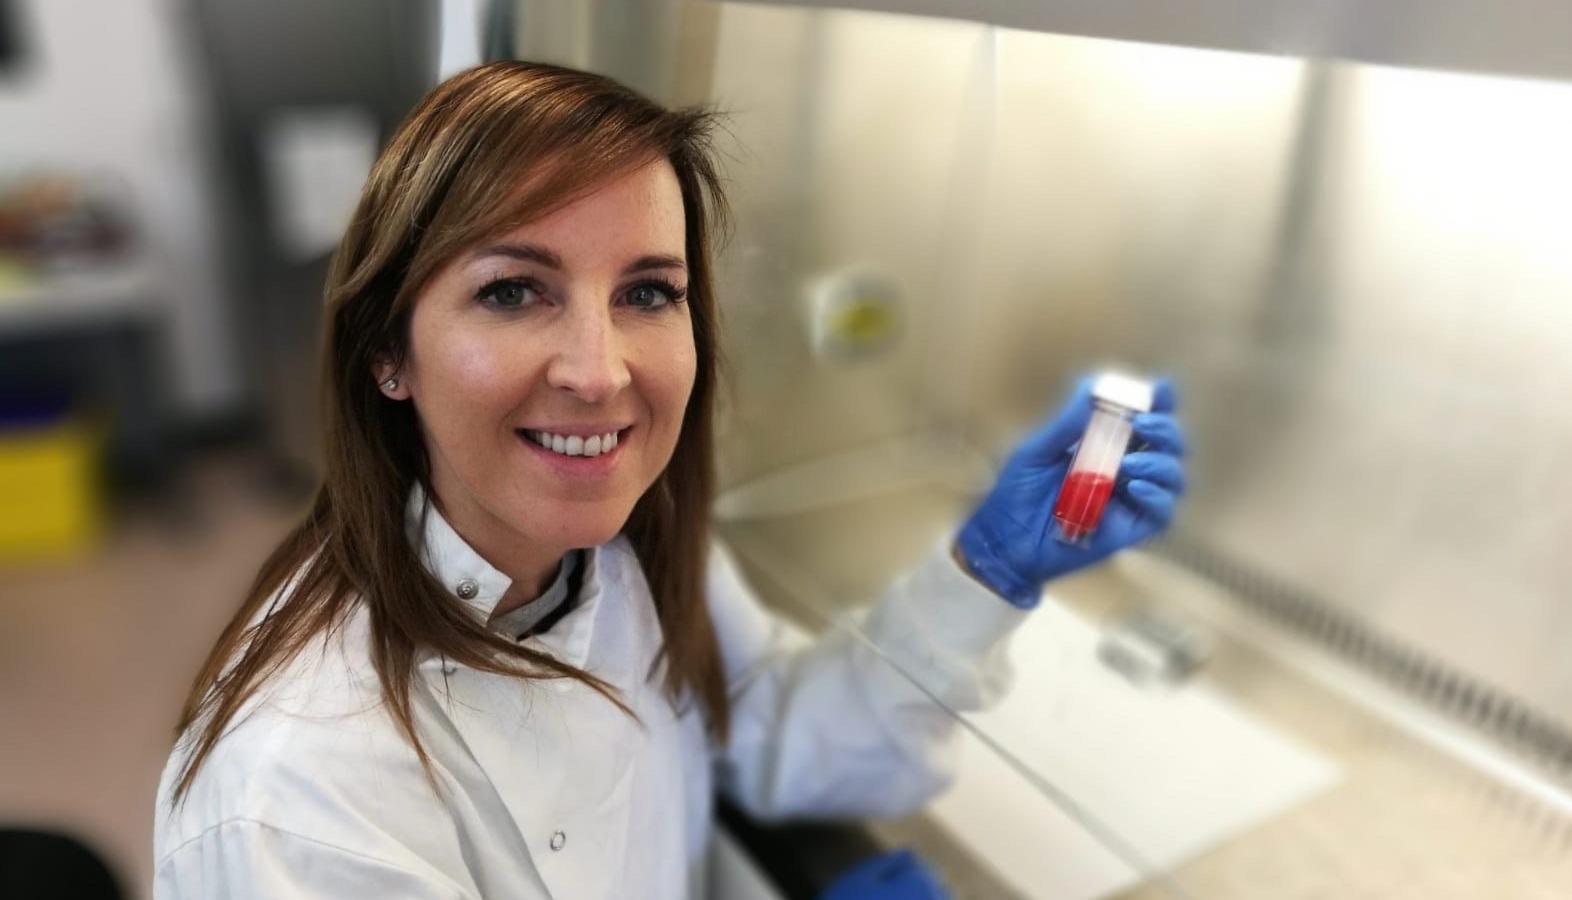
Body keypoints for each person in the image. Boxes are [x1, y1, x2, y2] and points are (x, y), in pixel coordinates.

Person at [152, 61, 1186, 899]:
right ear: (388, 351)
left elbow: (778, 737)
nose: (601, 372)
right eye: (513, 291)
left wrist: (986, 568)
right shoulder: (305, 798)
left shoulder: (624, 546)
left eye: (648, 290)